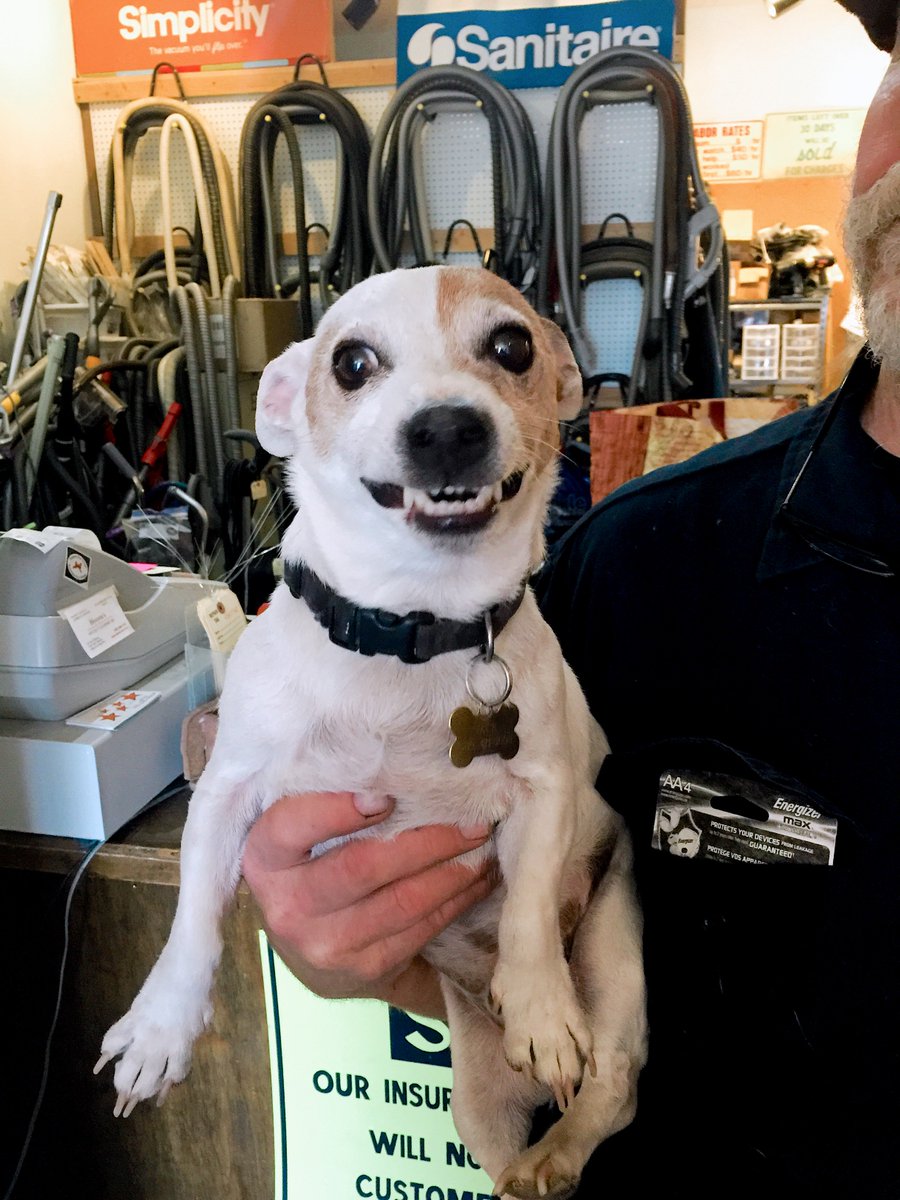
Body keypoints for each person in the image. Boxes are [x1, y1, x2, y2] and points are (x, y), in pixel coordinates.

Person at [242, 3, 900, 1193]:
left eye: (499, 355)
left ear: (551, 382)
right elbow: (495, 910)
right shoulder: (630, 565)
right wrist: (360, 934)